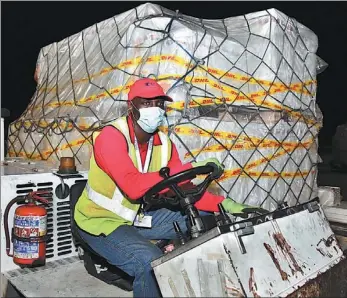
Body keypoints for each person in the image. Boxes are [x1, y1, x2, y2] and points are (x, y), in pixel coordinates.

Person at [74, 78, 266, 297]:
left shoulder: (164, 144)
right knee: (151, 262)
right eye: (146, 103)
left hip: (137, 217)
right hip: (100, 221)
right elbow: (133, 186)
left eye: (158, 103)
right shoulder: (111, 137)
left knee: (204, 217)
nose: (154, 109)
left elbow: (183, 189)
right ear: (131, 106)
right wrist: (191, 166)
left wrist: (227, 205)